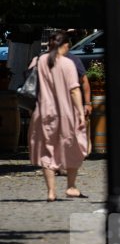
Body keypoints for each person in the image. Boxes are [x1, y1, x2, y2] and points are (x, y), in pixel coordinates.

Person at [28, 31, 89, 202]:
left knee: (47, 150)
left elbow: (30, 80)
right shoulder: (68, 64)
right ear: (65, 45)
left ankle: (51, 192)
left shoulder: (38, 61)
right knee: (75, 147)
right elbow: (74, 90)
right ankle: (70, 186)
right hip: (65, 113)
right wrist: (81, 112)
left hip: (43, 112)